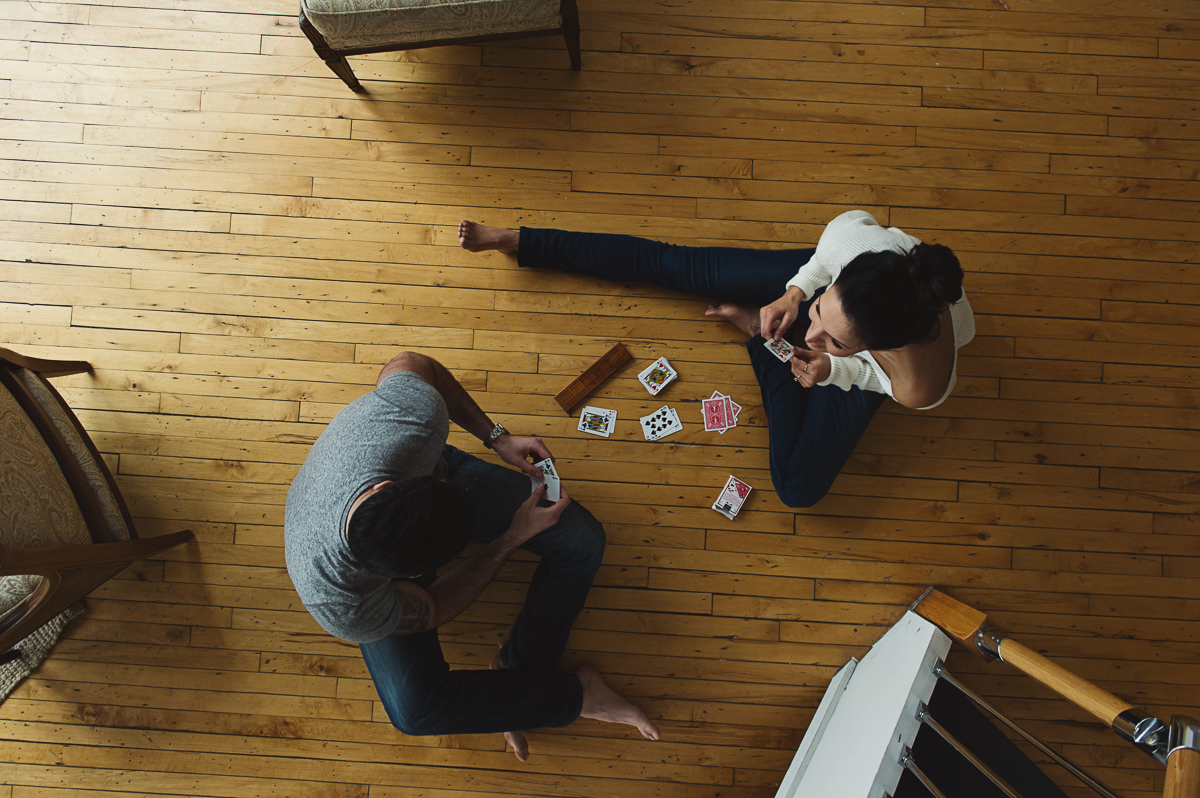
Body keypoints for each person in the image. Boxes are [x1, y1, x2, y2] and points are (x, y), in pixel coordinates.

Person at [284, 351, 659, 762]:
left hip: (425, 474)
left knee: (582, 540)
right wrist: (510, 537)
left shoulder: (409, 419)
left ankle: (516, 688)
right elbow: (432, 605)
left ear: (387, 485)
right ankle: (571, 695)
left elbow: (414, 363)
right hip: (362, 575)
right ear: (411, 575)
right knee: (416, 712)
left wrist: (497, 437)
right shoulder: (343, 604)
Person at [458, 211, 974, 508]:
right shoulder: (852, 240)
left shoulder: (918, 384)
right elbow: (822, 262)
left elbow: (869, 376)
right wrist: (796, 294)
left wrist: (834, 369)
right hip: (845, 300)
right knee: (677, 266)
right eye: (818, 315)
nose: (809, 333)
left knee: (797, 488)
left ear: (872, 346)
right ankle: (523, 240)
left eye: (833, 339)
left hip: (871, 371)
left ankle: (756, 333)